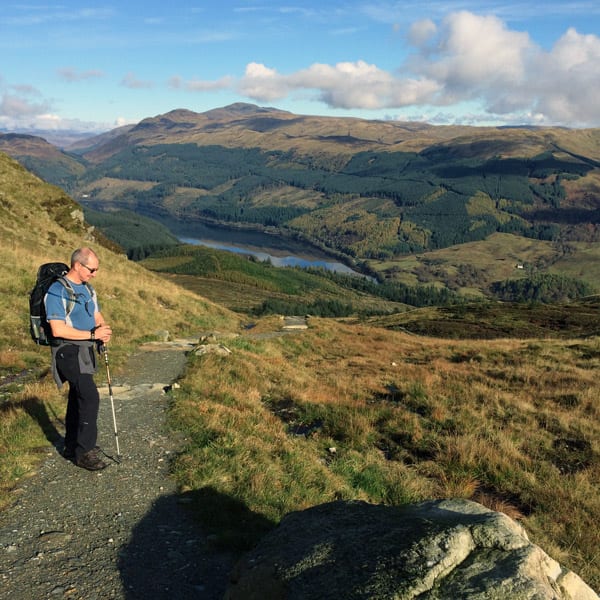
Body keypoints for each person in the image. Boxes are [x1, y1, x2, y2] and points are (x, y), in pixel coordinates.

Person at [44, 247, 112, 471]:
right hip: (67, 350)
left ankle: (72, 445)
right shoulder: (57, 291)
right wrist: (93, 335)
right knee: (89, 396)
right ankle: (84, 453)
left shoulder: (88, 290)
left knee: (78, 395)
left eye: (96, 270)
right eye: (92, 269)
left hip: (85, 350)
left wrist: (102, 329)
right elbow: (57, 329)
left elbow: (95, 314)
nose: (94, 274)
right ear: (77, 265)